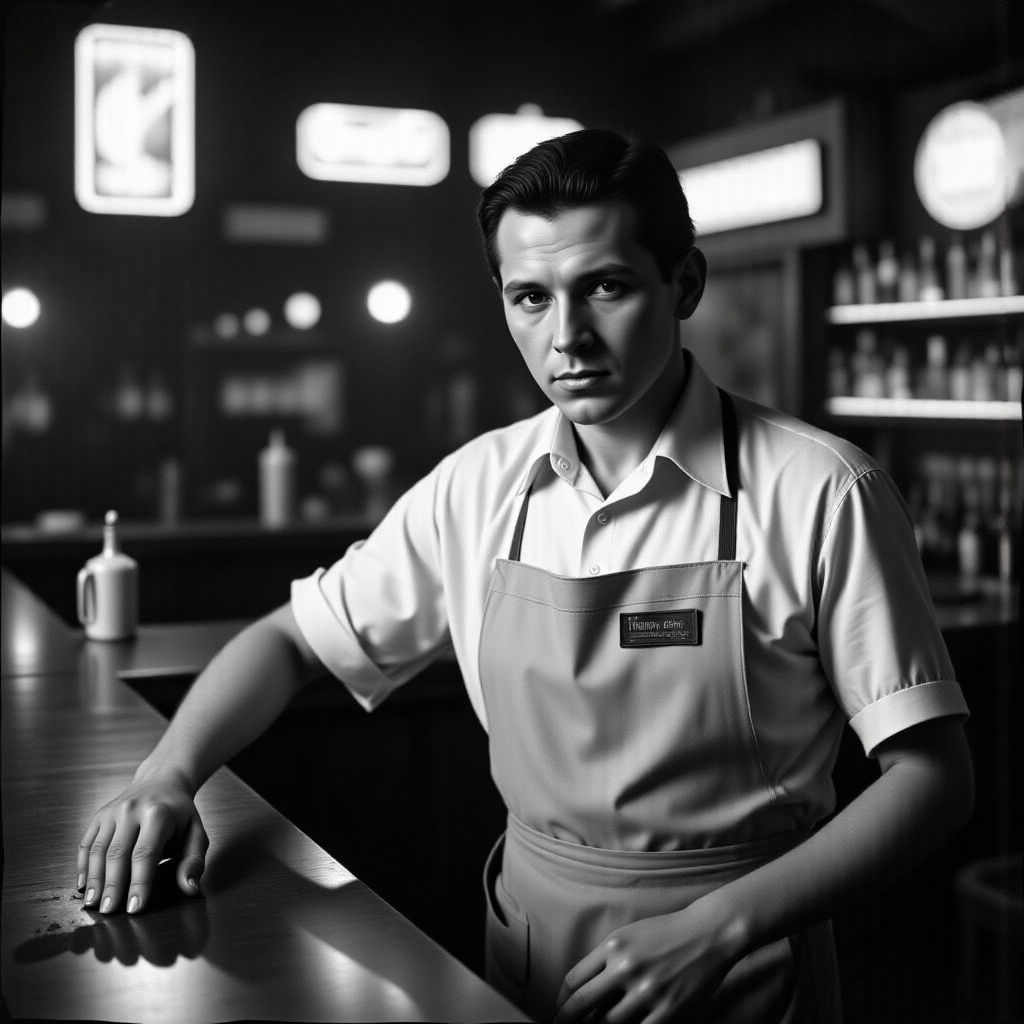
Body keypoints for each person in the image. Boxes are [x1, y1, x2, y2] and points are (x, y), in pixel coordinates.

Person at [76, 129, 974, 1023]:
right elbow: (289, 640)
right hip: (529, 955)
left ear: (685, 283)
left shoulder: (824, 489)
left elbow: (932, 778)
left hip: (745, 968)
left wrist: (721, 926)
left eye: (607, 288)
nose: (567, 337)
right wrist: (169, 772)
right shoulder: (476, 489)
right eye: (531, 298)